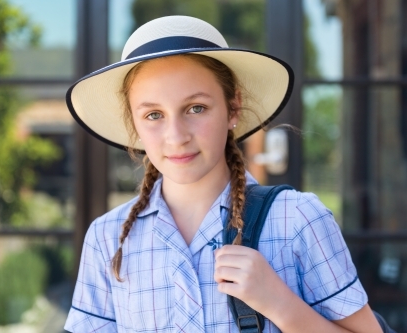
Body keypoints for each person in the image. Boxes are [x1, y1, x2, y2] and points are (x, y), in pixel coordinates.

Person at [64, 16, 382, 332]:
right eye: (154, 115)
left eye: (196, 108)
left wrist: (279, 304)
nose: (176, 136)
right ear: (134, 124)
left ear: (233, 108)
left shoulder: (297, 219)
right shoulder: (108, 239)